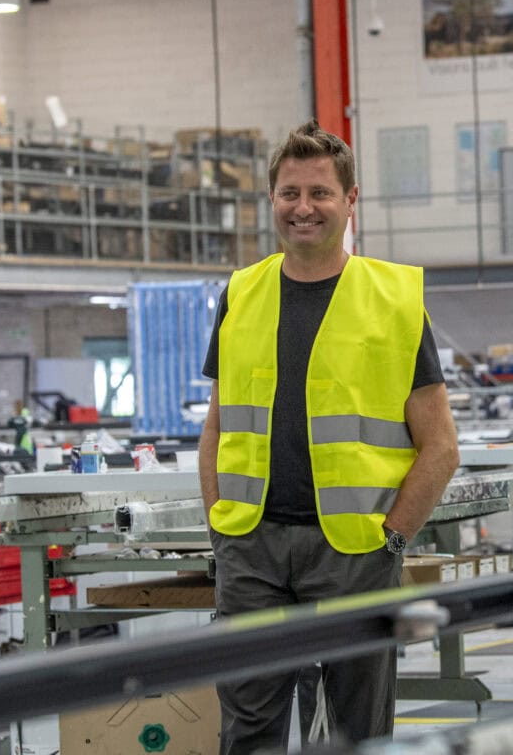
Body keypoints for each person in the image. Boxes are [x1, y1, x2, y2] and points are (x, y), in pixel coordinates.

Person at [199, 120, 459, 754]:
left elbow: (442, 445)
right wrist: (220, 526)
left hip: (353, 552)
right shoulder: (241, 293)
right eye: (289, 193)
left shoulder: (395, 300)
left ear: (350, 200)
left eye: (319, 193)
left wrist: (391, 536)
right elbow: (218, 424)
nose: (303, 208)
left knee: (354, 732)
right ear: (272, 201)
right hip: (251, 548)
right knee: (248, 727)